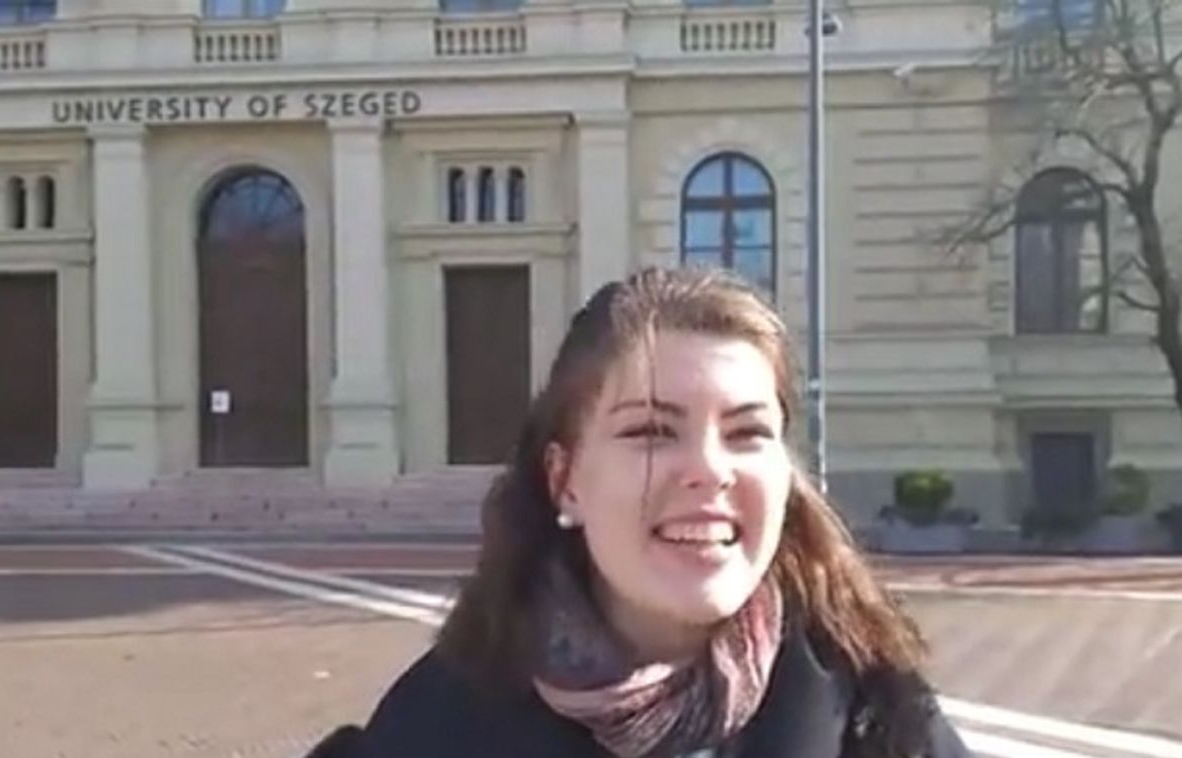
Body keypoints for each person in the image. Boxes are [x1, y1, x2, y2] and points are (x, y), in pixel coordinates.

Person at [312, 267, 971, 757]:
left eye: (746, 432)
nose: (709, 469)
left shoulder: (878, 717)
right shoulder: (438, 727)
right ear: (565, 481)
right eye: (652, 431)